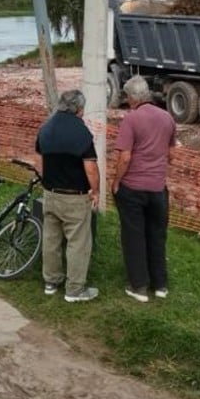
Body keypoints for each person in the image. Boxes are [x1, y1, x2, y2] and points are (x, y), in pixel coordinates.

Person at [111, 76, 178, 302]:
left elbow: (125, 157)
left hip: (133, 188)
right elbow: (171, 155)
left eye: (127, 97)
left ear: (132, 98)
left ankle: (139, 286)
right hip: (158, 189)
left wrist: (116, 181)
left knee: (134, 236)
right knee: (157, 236)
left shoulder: (131, 120)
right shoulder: (168, 118)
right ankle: (160, 285)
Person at [34, 89, 100, 303]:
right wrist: (95, 191)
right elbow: (90, 167)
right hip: (75, 196)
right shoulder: (82, 133)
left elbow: (39, 161)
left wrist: (46, 182)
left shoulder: (45, 128)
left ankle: (51, 282)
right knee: (78, 242)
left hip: (50, 193)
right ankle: (74, 289)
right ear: (80, 109)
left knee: (51, 239)